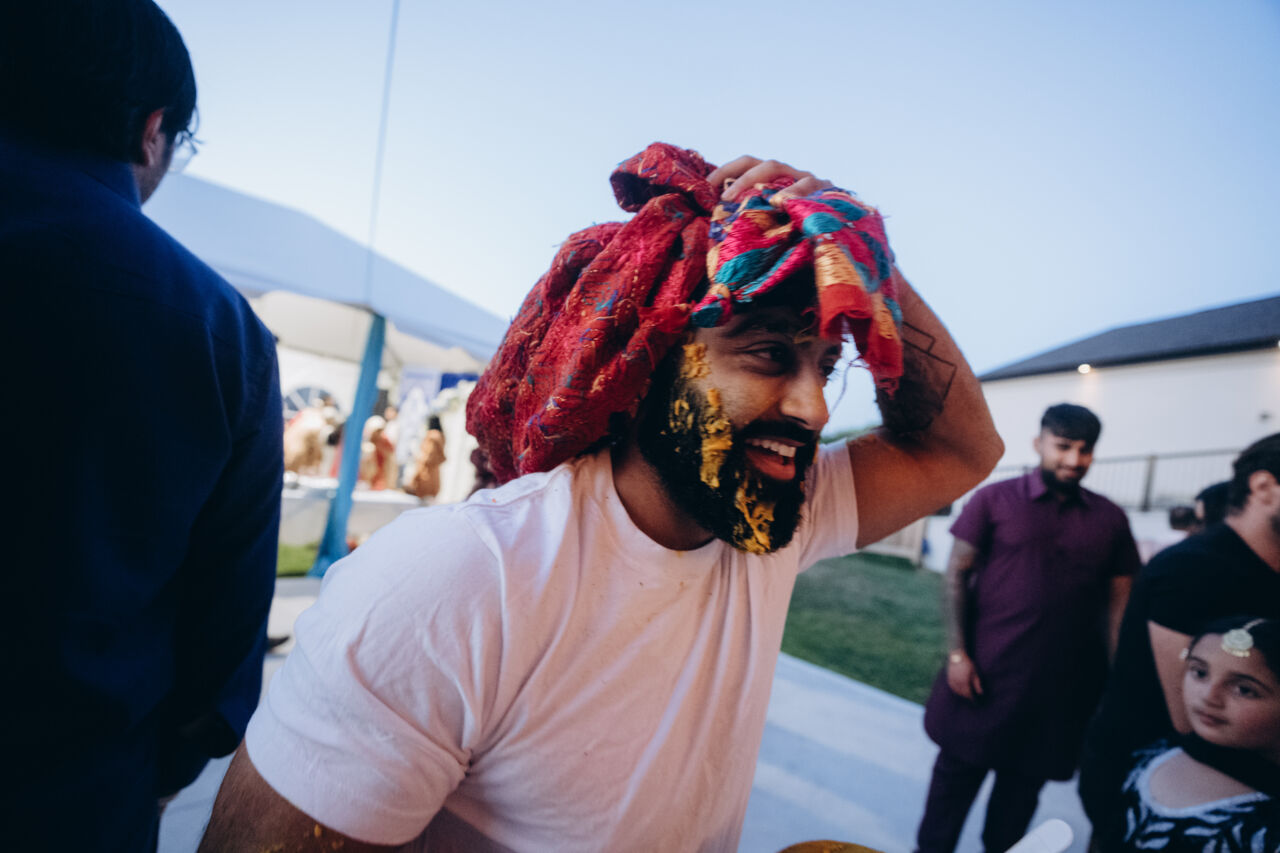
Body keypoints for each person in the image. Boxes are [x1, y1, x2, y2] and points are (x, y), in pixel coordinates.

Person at [199, 144, 1004, 851]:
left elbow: (963, 449)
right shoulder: (459, 581)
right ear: (644, 362)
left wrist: (860, 253)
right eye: (768, 354)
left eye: (825, 366)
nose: (817, 408)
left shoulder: (767, 515)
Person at [2, 2, 283, 849]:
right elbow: (224, 633)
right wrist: (157, 774)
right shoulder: (220, 332)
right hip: (70, 798)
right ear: (152, 129)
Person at [915, 404, 1140, 853]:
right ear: (1039, 444)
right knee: (945, 808)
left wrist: (1117, 684)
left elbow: (1119, 607)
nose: (1074, 460)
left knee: (1012, 822)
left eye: (1084, 450)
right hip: (984, 677)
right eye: (1063, 446)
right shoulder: (994, 500)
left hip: (1058, 695)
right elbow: (956, 574)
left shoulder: (1110, 519)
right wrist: (958, 654)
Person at [1080, 433, 1280, 847]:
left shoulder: (1262, 570)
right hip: (1151, 795)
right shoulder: (1194, 570)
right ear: (1264, 487)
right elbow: (1192, 719)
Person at [1112, 616, 1279, 851]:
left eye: (1243, 689)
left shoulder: (1268, 827)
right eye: (1200, 672)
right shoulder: (1152, 755)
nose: (1209, 696)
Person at [404, 415, 447, 499]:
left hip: (426, 471)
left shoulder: (432, 436)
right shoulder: (441, 436)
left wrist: (419, 462)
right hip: (434, 471)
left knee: (422, 495)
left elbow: (428, 454)